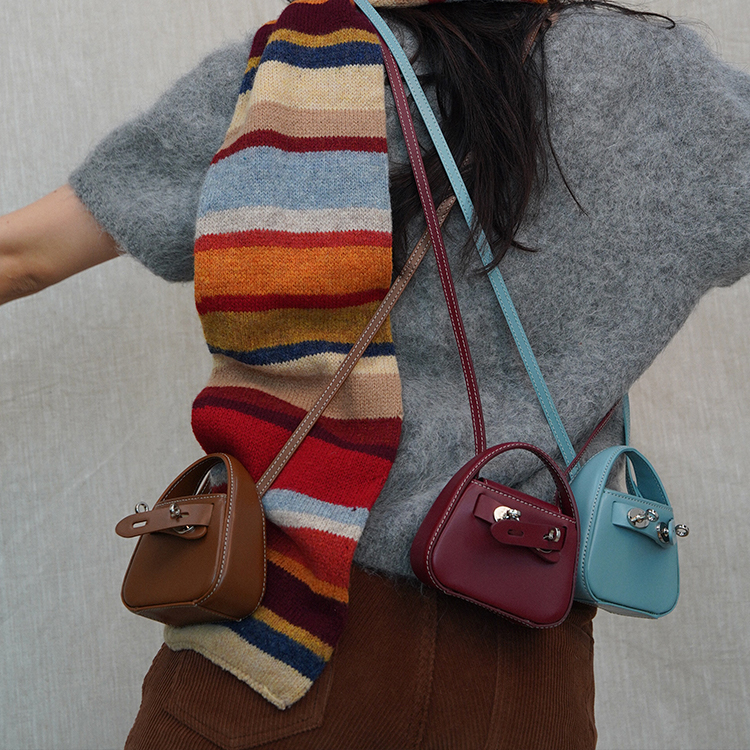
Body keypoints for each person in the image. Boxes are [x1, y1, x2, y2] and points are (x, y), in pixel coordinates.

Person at [1, 0, 748, 747]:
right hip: (525, 666)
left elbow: (25, 256)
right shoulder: (671, 88)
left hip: (282, 633)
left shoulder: (294, 72)